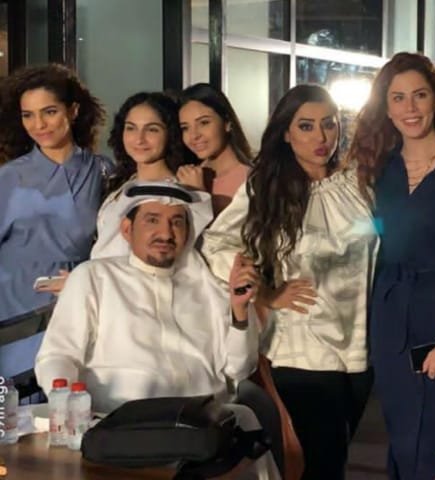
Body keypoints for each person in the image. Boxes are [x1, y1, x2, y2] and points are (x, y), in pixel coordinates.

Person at [202, 85, 378, 480]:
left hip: (361, 344)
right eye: (306, 126)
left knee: (340, 458)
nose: (321, 137)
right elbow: (216, 243)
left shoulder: (357, 183)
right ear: (286, 132)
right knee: (322, 463)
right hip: (301, 347)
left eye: (329, 124)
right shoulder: (265, 187)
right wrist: (265, 293)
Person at [348, 52, 435, 479]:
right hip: (392, 314)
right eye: (398, 98)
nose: (410, 108)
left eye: (419, 95)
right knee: (404, 434)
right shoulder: (379, 168)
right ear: (386, 108)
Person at [35, 182, 259, 412]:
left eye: (177, 223)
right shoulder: (95, 276)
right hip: (122, 421)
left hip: (203, 420)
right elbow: (58, 356)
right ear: (127, 229)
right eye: (152, 220)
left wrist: (239, 314)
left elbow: (239, 369)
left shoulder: (207, 285)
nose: (166, 233)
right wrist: (69, 410)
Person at [0, 64, 112, 380]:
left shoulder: (104, 172)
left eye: (49, 112)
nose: (38, 125)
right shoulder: (9, 178)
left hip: (80, 306)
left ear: (73, 111)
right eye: (28, 115)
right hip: (15, 310)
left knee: (71, 398)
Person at [92, 92, 193, 259]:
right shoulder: (123, 182)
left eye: (152, 129)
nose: (139, 139)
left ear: (171, 134)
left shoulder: (172, 195)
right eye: (131, 128)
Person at [178, 83, 252, 216]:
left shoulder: (251, 182)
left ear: (227, 123)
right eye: (185, 128)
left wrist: (199, 195)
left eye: (204, 123)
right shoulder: (187, 176)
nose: (194, 135)